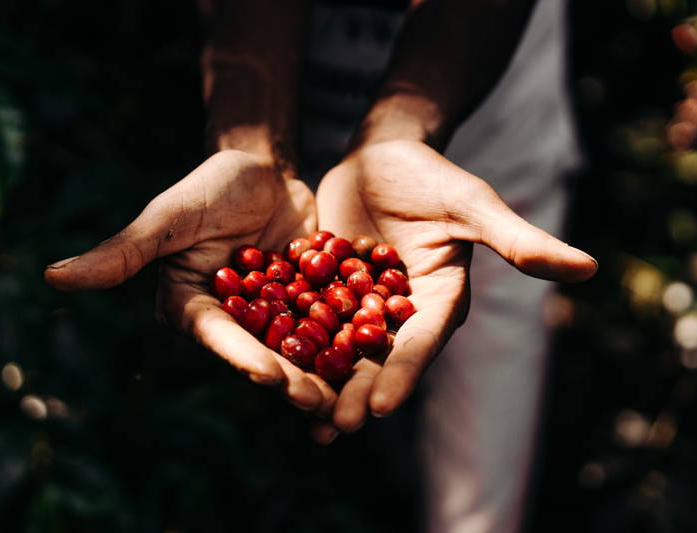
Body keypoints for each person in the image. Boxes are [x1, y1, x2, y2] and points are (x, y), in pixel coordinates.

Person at [44, 1, 597, 531]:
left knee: (481, 466)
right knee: (345, 435)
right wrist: (254, 145)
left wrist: (400, 129)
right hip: (302, 170)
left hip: (482, 165)